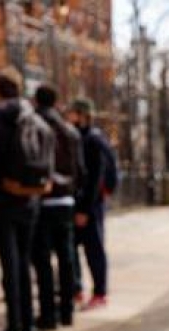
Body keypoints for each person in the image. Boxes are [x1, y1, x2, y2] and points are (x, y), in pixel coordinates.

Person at [0, 67, 55, 331]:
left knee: (10, 265)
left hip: (2, 202)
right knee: (23, 262)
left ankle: (14, 328)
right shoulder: (34, 118)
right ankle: (29, 324)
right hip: (30, 200)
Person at [31, 85, 86, 330]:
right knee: (66, 258)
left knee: (42, 260)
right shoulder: (71, 132)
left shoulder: (34, 126)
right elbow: (81, 172)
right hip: (66, 202)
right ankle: (67, 312)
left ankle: (48, 315)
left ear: (36, 100)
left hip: (42, 200)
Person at [68, 98, 113, 310]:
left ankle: (100, 292)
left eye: (72, 113)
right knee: (72, 248)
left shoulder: (93, 140)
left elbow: (95, 178)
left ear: (82, 115)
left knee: (94, 249)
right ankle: (76, 289)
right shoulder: (80, 137)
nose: (69, 116)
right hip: (80, 203)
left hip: (91, 206)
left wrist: (85, 209)